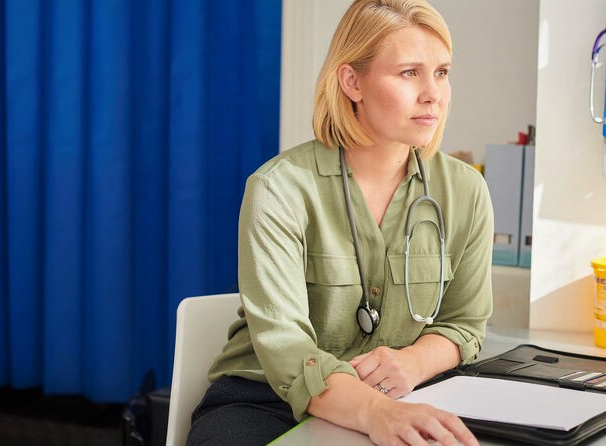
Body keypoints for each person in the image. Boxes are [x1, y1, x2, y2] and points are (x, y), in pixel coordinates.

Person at [187, 0, 494, 444]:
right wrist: (375, 412)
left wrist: (413, 363)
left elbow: (464, 323)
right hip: (268, 399)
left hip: (403, 393)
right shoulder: (279, 188)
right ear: (352, 82)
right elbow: (286, 346)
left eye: (441, 72)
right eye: (409, 72)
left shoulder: (466, 190)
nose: (434, 94)